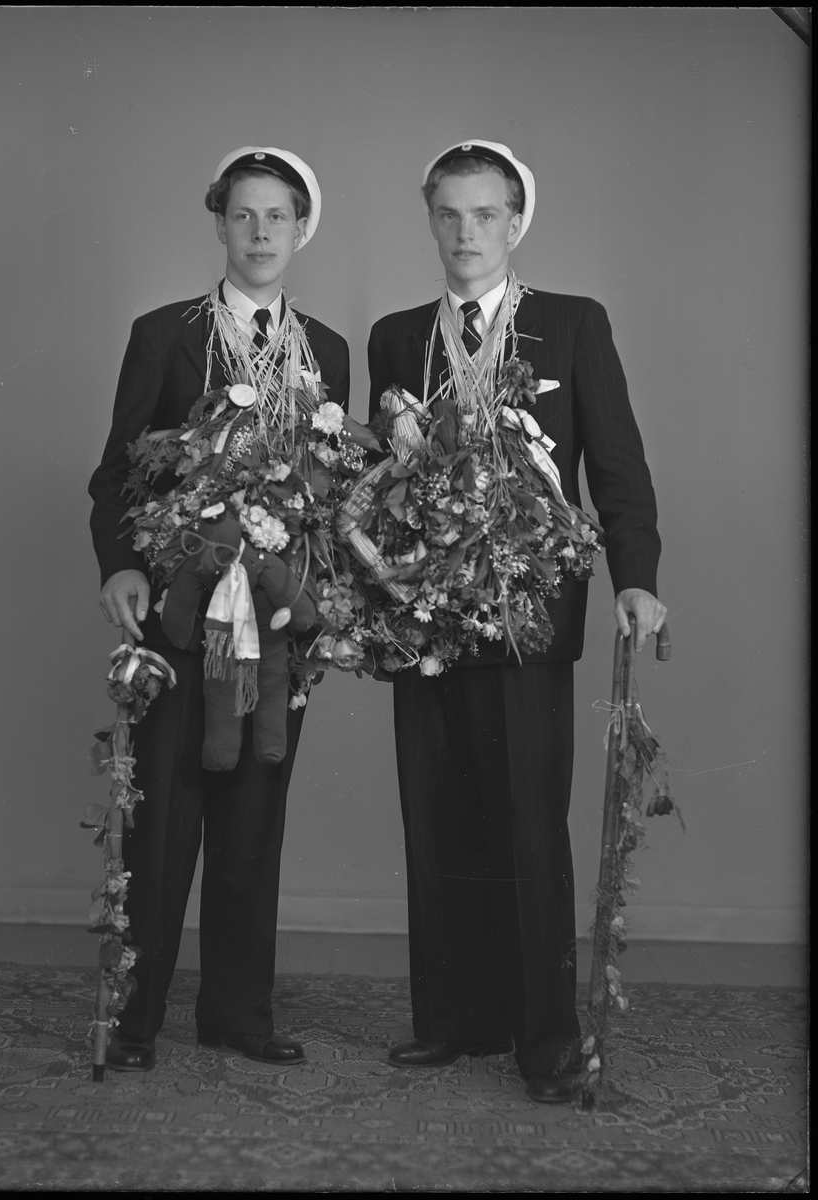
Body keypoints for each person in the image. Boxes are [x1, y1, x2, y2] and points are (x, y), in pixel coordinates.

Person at [367, 140, 666, 1103]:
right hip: (422, 613)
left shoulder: (571, 324)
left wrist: (635, 577)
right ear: (430, 220)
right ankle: (455, 1020)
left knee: (529, 826)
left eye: (485, 214)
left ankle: (544, 1039)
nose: (466, 233)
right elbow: (379, 482)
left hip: (529, 611)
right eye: (448, 214)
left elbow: (614, 461)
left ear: (516, 221)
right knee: (436, 815)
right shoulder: (396, 336)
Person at [89, 147, 349, 1072]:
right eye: (243, 214)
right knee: (164, 818)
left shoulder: (326, 348)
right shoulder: (165, 333)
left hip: (275, 622)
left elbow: (330, 490)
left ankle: (237, 1012)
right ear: (219, 224)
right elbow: (116, 473)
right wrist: (122, 566)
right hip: (182, 613)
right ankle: (134, 1018)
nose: (260, 232)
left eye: (277, 216)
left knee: (253, 811)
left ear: (300, 229)